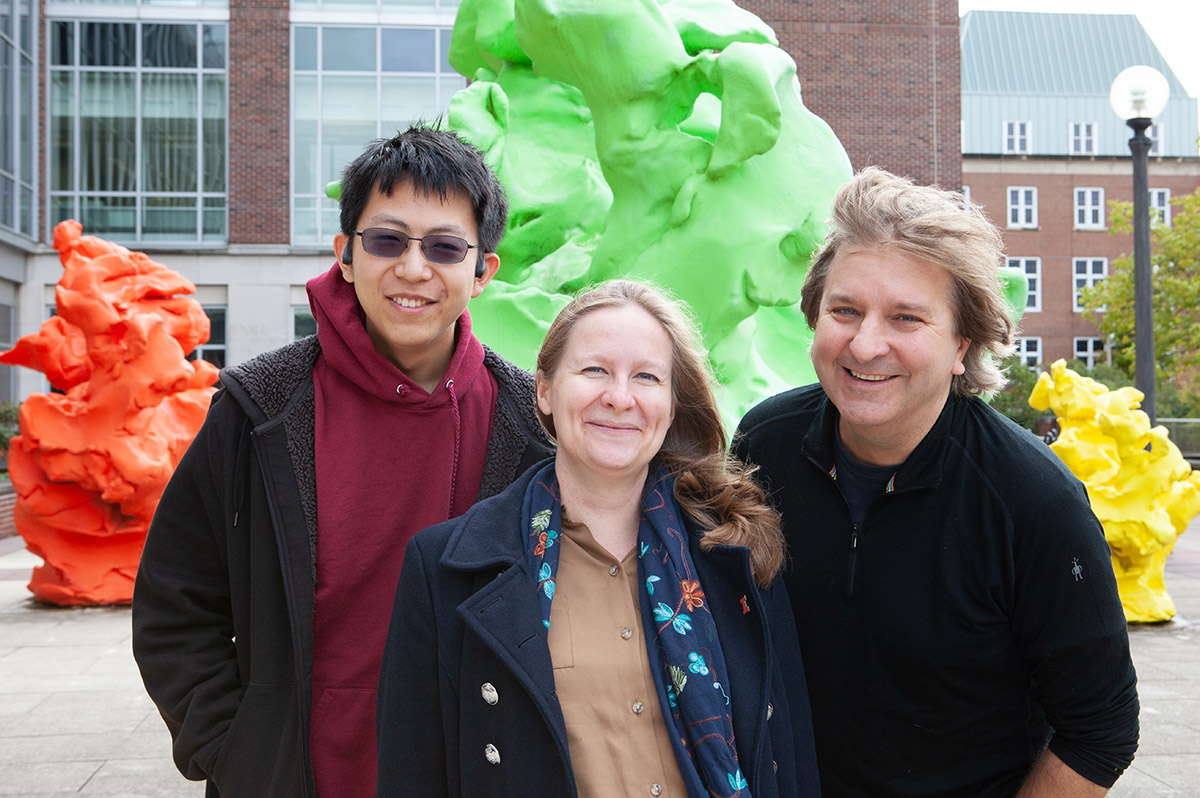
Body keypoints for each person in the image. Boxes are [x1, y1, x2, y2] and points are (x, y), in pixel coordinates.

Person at [132, 125, 553, 797]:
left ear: (482, 272)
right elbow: (174, 602)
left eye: (444, 247)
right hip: (298, 778)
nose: (413, 269)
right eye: (387, 240)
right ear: (346, 255)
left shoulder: (534, 423)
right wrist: (236, 749)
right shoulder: (259, 409)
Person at [734, 167, 1140, 797]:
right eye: (845, 310)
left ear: (962, 345)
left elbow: (1101, 727)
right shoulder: (764, 445)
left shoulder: (1034, 501)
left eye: (906, 319)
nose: (866, 344)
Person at [377, 280, 820, 797]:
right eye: (595, 370)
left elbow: (789, 757)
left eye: (647, 377)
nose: (620, 397)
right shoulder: (445, 570)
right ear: (544, 388)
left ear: (671, 404)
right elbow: (413, 776)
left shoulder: (734, 551)